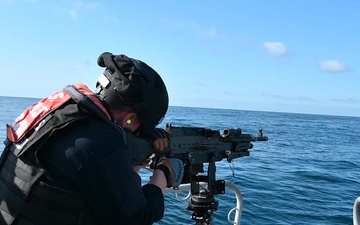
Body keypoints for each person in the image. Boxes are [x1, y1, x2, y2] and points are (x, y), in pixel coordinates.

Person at [0, 52, 184, 225]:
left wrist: (138, 158)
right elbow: (138, 218)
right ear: (131, 118)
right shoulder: (101, 144)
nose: (139, 134)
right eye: (140, 128)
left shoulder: (61, 116)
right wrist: (163, 173)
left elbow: (106, 182)